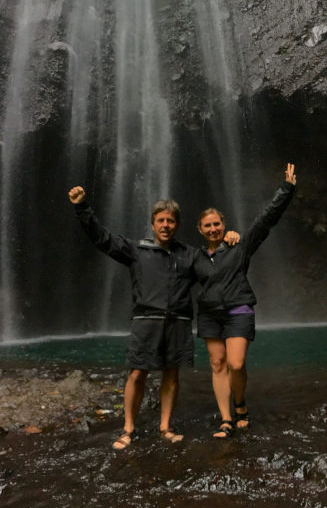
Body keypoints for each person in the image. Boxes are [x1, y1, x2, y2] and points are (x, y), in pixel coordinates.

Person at [68, 185, 239, 450]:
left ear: (177, 225)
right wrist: (81, 207)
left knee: (172, 374)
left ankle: (165, 426)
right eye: (161, 220)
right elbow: (102, 238)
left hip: (179, 323)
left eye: (171, 221)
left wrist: (226, 239)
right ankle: (128, 428)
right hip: (146, 320)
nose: (166, 225)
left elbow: (213, 262)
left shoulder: (189, 254)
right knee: (137, 374)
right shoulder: (137, 250)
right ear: (153, 224)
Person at [195, 163, 297, 438]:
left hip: (238, 310)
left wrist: (285, 190)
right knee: (217, 364)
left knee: (236, 364)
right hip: (209, 314)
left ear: (224, 225)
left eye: (217, 224)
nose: (214, 228)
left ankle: (240, 404)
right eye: (208, 225)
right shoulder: (196, 257)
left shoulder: (239, 247)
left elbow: (265, 221)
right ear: (200, 229)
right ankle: (226, 418)